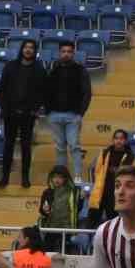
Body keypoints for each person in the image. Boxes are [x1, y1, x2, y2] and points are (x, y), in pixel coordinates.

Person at [0, 38, 47, 189]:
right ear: (22, 49)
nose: (28, 50)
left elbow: (42, 92)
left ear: (35, 51)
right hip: (10, 113)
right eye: (26, 47)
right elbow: (2, 89)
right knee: (8, 145)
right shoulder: (10, 66)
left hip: (28, 114)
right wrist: (5, 109)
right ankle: (5, 176)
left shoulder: (39, 69)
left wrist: (34, 109)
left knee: (26, 146)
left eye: (31, 47)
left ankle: (25, 177)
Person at [44, 40, 91, 178]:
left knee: (74, 146)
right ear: (60, 53)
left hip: (73, 115)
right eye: (63, 51)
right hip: (54, 115)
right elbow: (46, 91)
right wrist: (48, 111)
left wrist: (80, 113)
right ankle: (61, 177)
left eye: (69, 52)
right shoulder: (53, 69)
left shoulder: (80, 70)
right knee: (60, 148)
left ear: (73, 53)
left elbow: (86, 93)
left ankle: (77, 176)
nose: (66, 54)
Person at [87, 130, 134, 227]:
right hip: (101, 191)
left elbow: (128, 173)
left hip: (116, 193)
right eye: (116, 138)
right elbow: (97, 171)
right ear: (113, 140)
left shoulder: (130, 155)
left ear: (125, 141)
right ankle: (90, 241)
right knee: (92, 221)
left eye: (121, 138)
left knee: (114, 223)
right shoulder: (105, 153)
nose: (118, 141)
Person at [38, 166, 82, 250]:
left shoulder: (74, 191)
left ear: (65, 178)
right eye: (54, 177)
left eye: (60, 177)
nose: (57, 180)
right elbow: (41, 210)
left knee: (65, 253)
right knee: (48, 251)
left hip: (67, 228)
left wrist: (81, 198)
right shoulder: (47, 192)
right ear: (51, 178)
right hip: (50, 228)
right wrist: (44, 210)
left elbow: (78, 209)